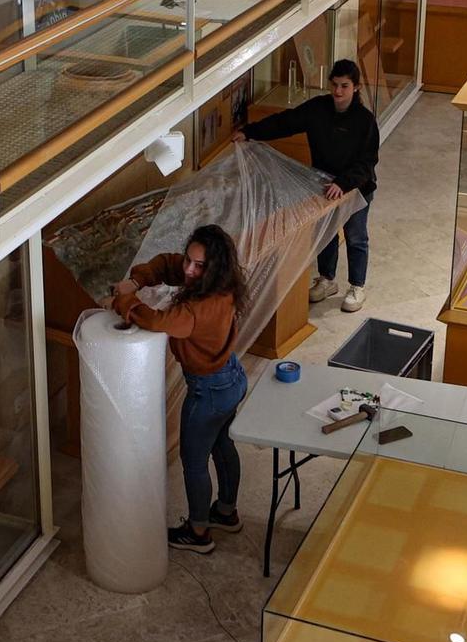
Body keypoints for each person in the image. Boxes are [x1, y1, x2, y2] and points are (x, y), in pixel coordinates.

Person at [110, 223, 250, 555]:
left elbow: (158, 322)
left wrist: (123, 300)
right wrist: (139, 278)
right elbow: (168, 264)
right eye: (190, 259)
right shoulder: (224, 283)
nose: (189, 268)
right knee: (222, 445)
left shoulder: (197, 309)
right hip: (231, 377)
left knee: (194, 461)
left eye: (198, 265)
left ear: (213, 267)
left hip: (208, 392)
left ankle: (199, 531)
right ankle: (226, 512)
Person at [234, 57, 380, 313]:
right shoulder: (318, 109)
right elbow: (285, 122)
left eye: (344, 86)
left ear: (356, 87)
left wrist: (343, 183)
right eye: (334, 85)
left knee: (356, 238)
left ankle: (357, 286)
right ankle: (327, 279)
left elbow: (367, 163)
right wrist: (250, 132)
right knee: (326, 235)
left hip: (356, 189)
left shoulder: (365, 121)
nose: (337, 92)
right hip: (323, 187)